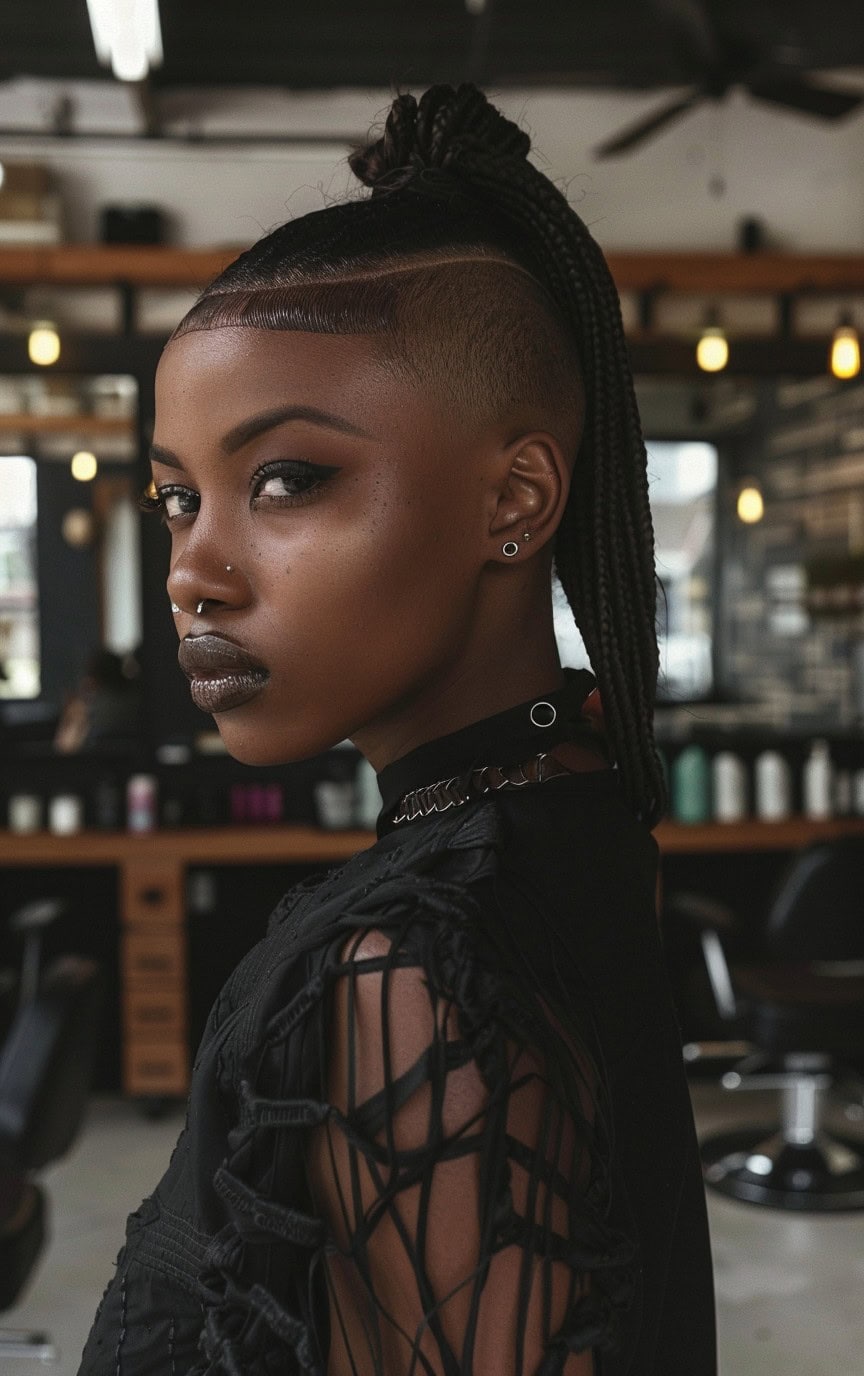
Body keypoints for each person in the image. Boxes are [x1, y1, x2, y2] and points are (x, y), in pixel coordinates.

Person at [78, 84, 716, 1375]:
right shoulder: (571, 807)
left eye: (285, 480)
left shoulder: (415, 975)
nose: (194, 569)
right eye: (175, 497)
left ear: (517, 500)